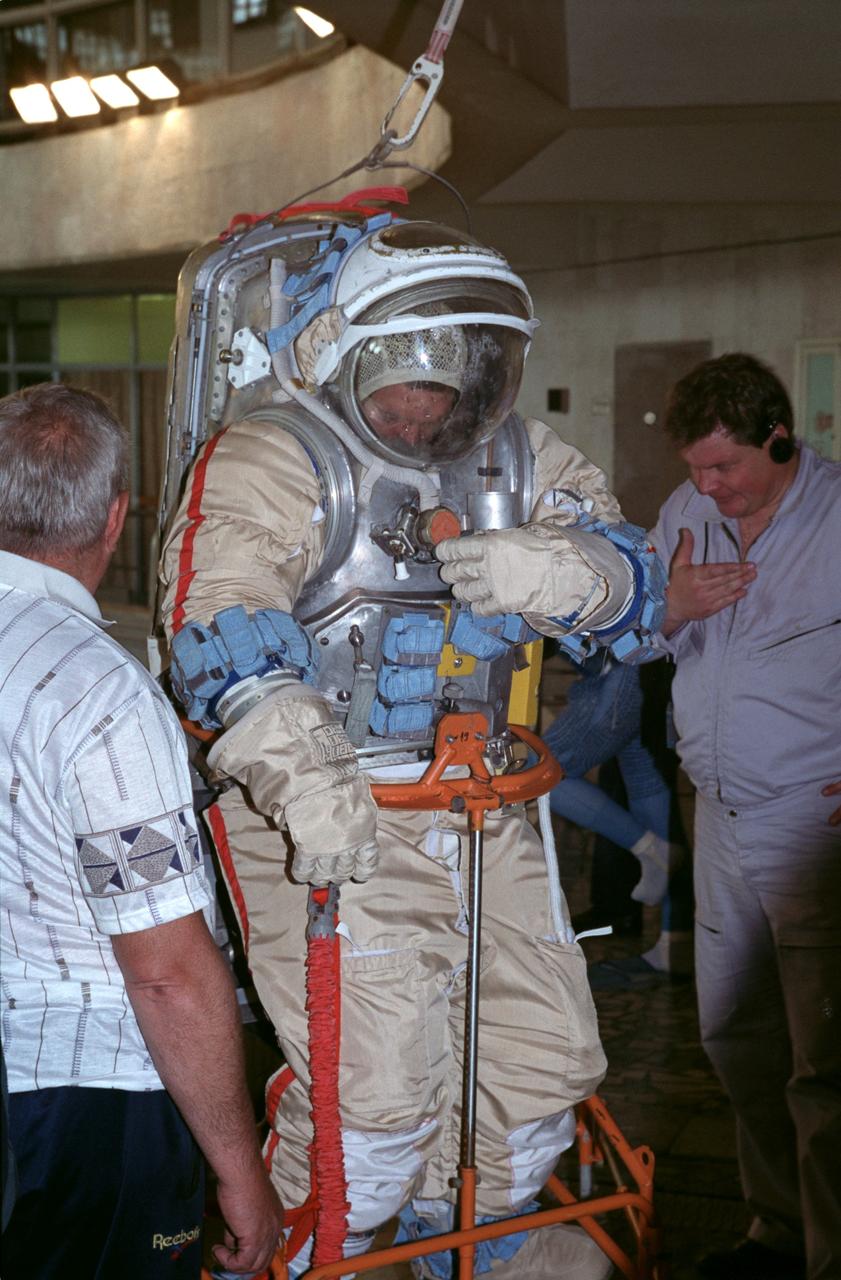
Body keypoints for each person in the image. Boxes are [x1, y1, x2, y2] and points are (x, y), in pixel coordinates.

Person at [156, 211, 667, 1279]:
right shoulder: (271, 457)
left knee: (540, 1070)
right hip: (329, 812)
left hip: (482, 804)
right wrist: (305, 773)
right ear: (340, 348)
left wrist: (569, 574)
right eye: (405, 373)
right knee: (371, 1107)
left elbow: (638, 589)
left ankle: (462, 1250)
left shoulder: (519, 458)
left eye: (455, 374)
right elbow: (220, 622)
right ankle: (308, 1257)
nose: (426, 405)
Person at [0, 383, 283, 1280]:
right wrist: (240, 1172)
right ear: (118, 516)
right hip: (80, 1106)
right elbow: (164, 972)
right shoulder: (97, 692)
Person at [650, 352, 841, 1280]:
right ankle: (774, 1231)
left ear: (779, 436)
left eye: (723, 467)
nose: (705, 487)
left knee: (826, 1065)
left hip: (817, 825)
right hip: (718, 813)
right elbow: (627, 631)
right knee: (736, 1038)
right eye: (692, 469)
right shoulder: (688, 516)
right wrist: (665, 607)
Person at [543, 654, 693, 986]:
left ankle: (653, 851)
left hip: (619, 667)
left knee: (541, 775)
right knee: (648, 787)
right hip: (643, 665)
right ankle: (675, 948)